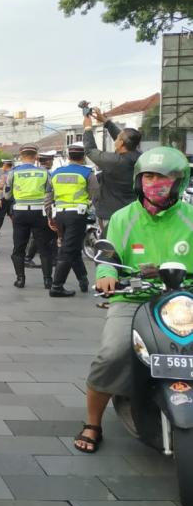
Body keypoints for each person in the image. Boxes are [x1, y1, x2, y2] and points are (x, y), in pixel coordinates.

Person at [75, 146, 193, 453]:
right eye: (149, 176)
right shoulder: (123, 217)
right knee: (112, 354)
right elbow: (107, 256)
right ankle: (92, 422)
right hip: (134, 298)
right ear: (138, 180)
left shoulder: (190, 217)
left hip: (184, 300)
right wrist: (105, 274)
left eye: (164, 176)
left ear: (179, 181)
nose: (155, 182)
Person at [46, 142, 100, 296]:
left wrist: (50, 215)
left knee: (73, 248)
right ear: (83, 157)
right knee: (67, 250)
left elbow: (49, 196)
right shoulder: (87, 173)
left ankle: (83, 280)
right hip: (77, 215)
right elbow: (95, 194)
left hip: (60, 214)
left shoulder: (56, 173)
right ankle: (56, 287)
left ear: (69, 156)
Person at [3, 145, 55, 288]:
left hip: (20, 213)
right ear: (36, 156)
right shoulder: (44, 172)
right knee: (44, 248)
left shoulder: (13, 173)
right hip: (39, 212)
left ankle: (20, 279)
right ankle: (47, 280)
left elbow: (6, 195)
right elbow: (51, 192)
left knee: (19, 248)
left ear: (21, 156)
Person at [83, 107, 141, 235]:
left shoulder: (115, 162)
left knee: (111, 249)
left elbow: (90, 150)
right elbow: (126, 139)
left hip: (111, 215)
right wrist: (106, 122)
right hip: (134, 213)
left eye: (118, 139)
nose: (116, 140)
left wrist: (87, 128)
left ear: (120, 143)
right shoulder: (139, 157)